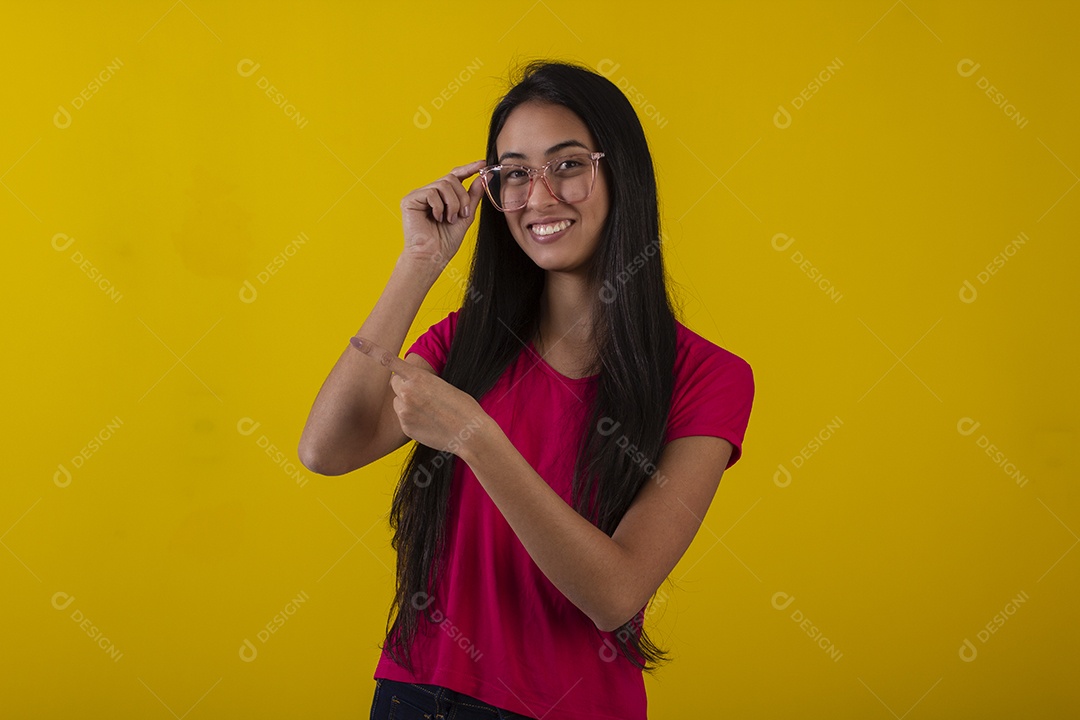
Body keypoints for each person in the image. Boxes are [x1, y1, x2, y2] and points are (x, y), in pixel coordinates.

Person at [298, 60, 755, 720]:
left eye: (568, 165)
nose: (539, 196)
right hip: (414, 696)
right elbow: (326, 448)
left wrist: (475, 438)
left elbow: (617, 591)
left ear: (619, 173)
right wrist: (418, 263)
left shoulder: (707, 376)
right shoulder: (468, 343)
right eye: (514, 173)